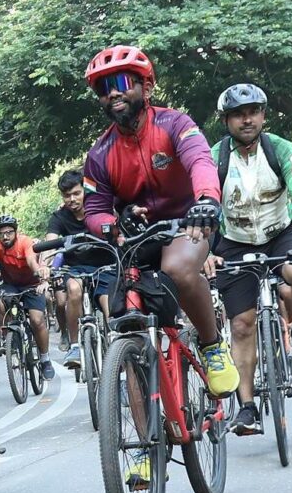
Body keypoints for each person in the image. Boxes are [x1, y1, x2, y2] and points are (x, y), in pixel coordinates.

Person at [76, 45, 237, 396]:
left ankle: (212, 346)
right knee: (126, 329)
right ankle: (142, 431)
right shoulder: (99, 153)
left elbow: (200, 161)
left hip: (188, 223)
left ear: (146, 87)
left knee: (177, 269)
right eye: (104, 87)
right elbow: (94, 209)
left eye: (121, 82)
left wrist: (206, 200)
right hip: (137, 238)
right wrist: (112, 224)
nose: (113, 92)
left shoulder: (175, 124)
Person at [208, 83, 292, 435]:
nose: (247, 120)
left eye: (253, 112)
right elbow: (206, 205)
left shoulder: (282, 150)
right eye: (238, 115)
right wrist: (207, 252)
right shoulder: (214, 157)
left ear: (263, 116)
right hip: (234, 240)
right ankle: (247, 408)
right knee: (241, 325)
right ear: (226, 121)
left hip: (280, 232)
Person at [0, 213, 55, 381]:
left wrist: (40, 275)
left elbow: (31, 261)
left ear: (16, 232)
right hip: (11, 285)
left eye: (9, 232)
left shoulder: (25, 242)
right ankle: (10, 338)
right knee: (1, 302)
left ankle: (45, 359)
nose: (5, 236)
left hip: (32, 284)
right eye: (1, 233)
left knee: (37, 320)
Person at [36, 168, 88, 372]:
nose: (72, 199)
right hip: (74, 268)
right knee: (73, 291)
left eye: (76, 193)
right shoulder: (59, 217)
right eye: (67, 195)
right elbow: (51, 242)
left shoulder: (97, 208)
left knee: (108, 304)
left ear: (85, 191)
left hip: (104, 265)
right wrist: (45, 266)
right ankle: (74, 345)